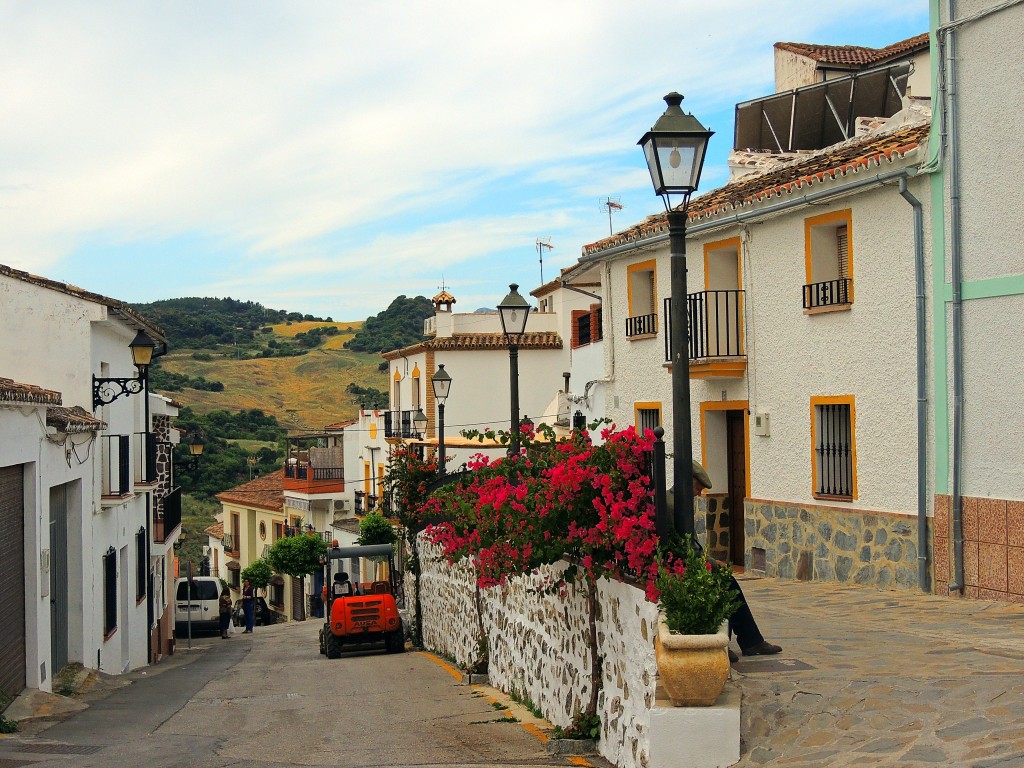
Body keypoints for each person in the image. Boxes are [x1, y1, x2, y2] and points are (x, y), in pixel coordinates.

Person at [670, 461, 782, 662]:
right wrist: (712, 564)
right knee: (725, 585)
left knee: (729, 582)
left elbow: (692, 546)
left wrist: (712, 562)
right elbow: (685, 548)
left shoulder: (677, 501)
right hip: (680, 567)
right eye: (698, 488)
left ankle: (749, 641)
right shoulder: (675, 505)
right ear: (687, 484)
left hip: (687, 563)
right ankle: (737, 642)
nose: (699, 493)